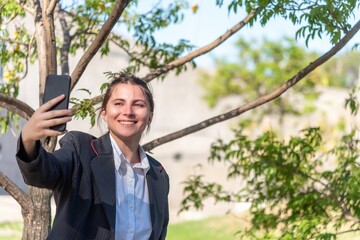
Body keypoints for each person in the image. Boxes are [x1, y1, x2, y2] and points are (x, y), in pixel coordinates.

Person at [16, 72, 169, 240]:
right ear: (104, 112)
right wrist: (28, 138)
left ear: (150, 116)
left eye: (138, 105)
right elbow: (42, 174)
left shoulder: (158, 174)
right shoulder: (80, 149)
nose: (128, 111)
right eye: (119, 103)